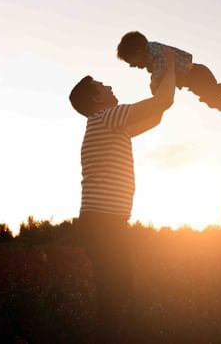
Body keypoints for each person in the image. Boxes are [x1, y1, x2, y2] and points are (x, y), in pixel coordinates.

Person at [69, 49, 177, 343]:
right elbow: (163, 103)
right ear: (95, 98)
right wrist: (169, 67)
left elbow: (156, 116)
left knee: (118, 293)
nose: (109, 86)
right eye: (102, 86)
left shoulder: (110, 123)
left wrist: (161, 83)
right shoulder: (108, 118)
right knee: (117, 297)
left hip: (105, 223)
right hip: (103, 223)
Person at [117, 30, 221, 132]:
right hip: (194, 77)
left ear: (139, 52)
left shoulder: (153, 53)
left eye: (131, 61)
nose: (131, 65)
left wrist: (155, 82)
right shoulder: (151, 51)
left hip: (196, 75)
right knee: (211, 98)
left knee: (211, 97)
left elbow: (162, 63)